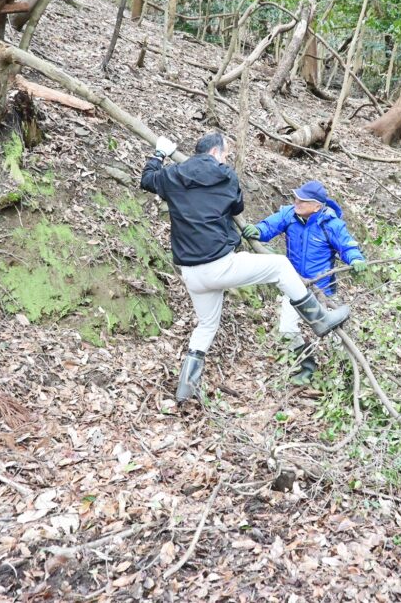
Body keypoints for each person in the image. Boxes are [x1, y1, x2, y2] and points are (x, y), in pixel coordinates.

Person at [140, 132, 352, 402]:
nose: (226, 159)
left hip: (191, 273)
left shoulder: (172, 176)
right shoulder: (225, 175)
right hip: (220, 265)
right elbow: (236, 206)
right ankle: (319, 320)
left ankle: (185, 389)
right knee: (280, 265)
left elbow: (147, 179)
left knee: (206, 326)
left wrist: (161, 153)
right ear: (215, 152)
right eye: (226, 154)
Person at [243, 181, 367, 384]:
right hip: (292, 284)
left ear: (317, 206)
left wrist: (356, 259)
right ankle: (307, 367)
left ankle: (346, 373)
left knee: (334, 335)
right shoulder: (289, 214)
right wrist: (257, 230)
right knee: (287, 329)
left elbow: (347, 246)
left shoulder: (330, 224)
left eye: (303, 200)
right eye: (297, 198)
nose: (297, 202)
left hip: (322, 289)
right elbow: (269, 226)